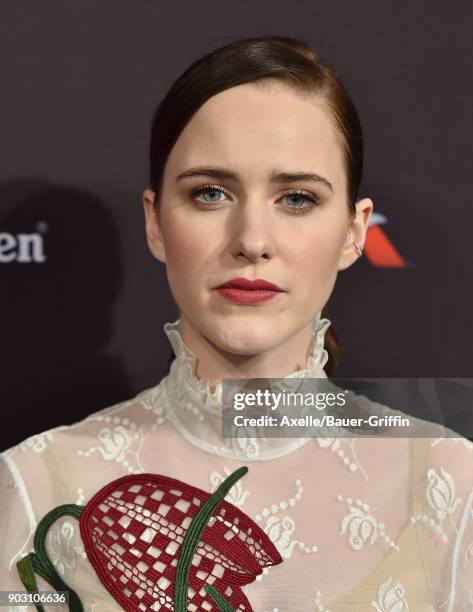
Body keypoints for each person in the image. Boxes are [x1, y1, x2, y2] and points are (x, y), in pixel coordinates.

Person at [1, 36, 472, 611]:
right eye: (210, 193)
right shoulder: (36, 488)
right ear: (155, 222)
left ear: (356, 231)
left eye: (296, 198)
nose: (251, 241)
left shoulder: (451, 483)